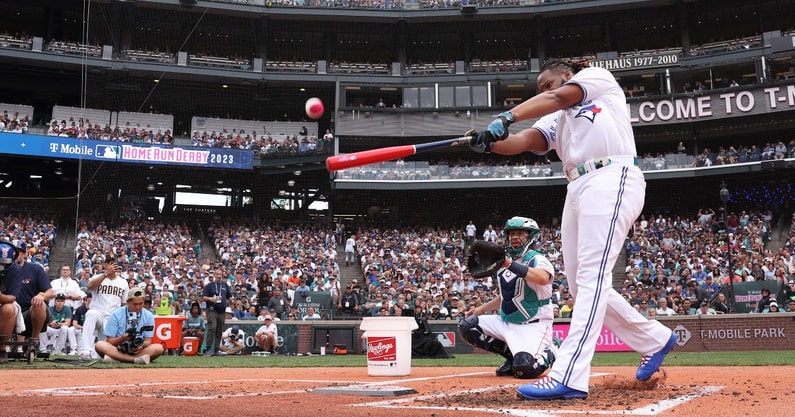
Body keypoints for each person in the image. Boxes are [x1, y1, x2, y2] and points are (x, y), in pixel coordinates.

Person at [467, 58, 676, 400]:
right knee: (583, 288)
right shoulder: (556, 118)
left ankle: (568, 375)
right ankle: (655, 338)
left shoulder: (595, 79)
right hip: (577, 186)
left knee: (592, 279)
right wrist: (488, 143)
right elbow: (527, 141)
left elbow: (557, 98)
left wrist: (506, 116)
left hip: (611, 175)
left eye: (548, 83)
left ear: (566, 75)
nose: (544, 91)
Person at [459, 216, 559, 379]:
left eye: (520, 234)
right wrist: (480, 310)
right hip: (507, 321)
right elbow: (507, 296)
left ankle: (552, 348)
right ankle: (513, 359)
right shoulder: (504, 261)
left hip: (533, 323)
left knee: (526, 370)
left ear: (531, 237)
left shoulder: (537, 259)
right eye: (512, 234)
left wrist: (509, 264)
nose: (514, 238)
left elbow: (542, 278)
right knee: (468, 326)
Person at [6, 242, 55, 354]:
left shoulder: (35, 269)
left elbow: (51, 292)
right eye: (12, 252)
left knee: (39, 304)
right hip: (9, 312)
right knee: (8, 308)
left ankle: (34, 341)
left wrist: (41, 295)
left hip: (29, 313)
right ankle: (5, 346)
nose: (15, 254)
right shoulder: (4, 270)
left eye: (18, 251)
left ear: (24, 253)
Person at [94, 287, 164, 364]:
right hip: (118, 348)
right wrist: (123, 338)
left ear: (144, 302)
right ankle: (135, 360)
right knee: (99, 345)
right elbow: (109, 341)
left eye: (140, 304)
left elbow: (148, 341)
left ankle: (116, 359)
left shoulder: (149, 315)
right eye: (135, 304)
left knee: (158, 348)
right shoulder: (116, 314)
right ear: (127, 302)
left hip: (138, 350)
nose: (138, 307)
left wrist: (141, 345)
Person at [79, 254, 128, 359]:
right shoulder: (97, 277)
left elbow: (124, 304)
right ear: (105, 264)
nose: (111, 265)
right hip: (98, 312)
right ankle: (85, 351)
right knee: (91, 314)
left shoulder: (123, 282)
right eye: (109, 262)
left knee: (102, 354)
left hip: (112, 317)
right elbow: (89, 287)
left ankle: (94, 353)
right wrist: (105, 274)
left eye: (113, 262)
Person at [200, 268, 231, 356]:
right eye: (217, 274)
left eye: (220, 274)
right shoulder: (210, 285)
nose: (218, 276)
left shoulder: (225, 285)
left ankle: (216, 349)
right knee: (212, 327)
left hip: (222, 311)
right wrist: (210, 299)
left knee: (219, 330)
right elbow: (203, 297)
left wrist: (231, 300)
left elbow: (229, 296)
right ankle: (208, 348)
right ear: (214, 275)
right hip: (212, 310)